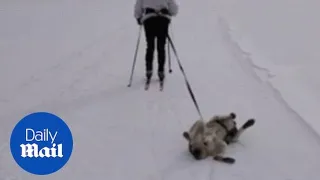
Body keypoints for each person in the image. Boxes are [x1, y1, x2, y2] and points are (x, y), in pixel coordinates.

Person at [134, 0, 178, 82]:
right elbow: (174, 9)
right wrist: (170, 13)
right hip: (163, 19)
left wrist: (138, 17)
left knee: (150, 46)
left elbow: (138, 6)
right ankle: (161, 70)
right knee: (161, 46)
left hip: (149, 19)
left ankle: (148, 69)